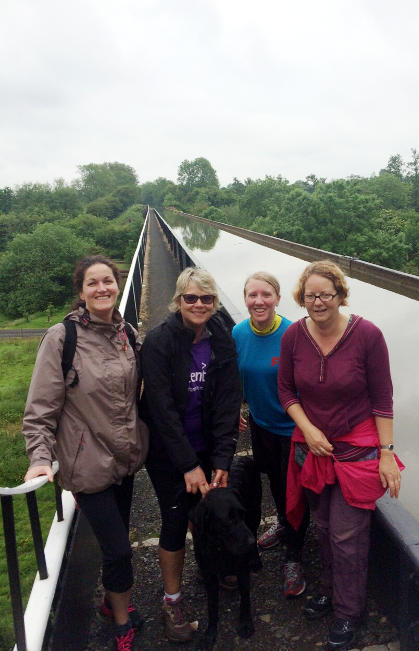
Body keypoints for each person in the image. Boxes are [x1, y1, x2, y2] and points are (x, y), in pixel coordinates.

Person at [23, 254, 148, 651]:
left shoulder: (126, 331)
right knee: (117, 549)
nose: (102, 289)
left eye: (108, 281)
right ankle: (121, 623)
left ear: (117, 285)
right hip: (86, 465)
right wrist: (40, 457)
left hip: (125, 459)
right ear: (81, 292)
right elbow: (40, 407)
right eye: (93, 283)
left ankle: (111, 606)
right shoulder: (62, 338)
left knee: (118, 547)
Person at [278, 260, 403, 650]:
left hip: (356, 449)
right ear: (302, 297)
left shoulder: (367, 335)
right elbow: (286, 391)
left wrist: (386, 453)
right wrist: (309, 429)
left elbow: (383, 400)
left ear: (339, 295)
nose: (318, 302)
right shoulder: (294, 336)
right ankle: (331, 594)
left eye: (326, 294)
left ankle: (349, 612)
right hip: (314, 448)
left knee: (348, 533)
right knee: (324, 526)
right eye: (311, 295)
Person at [140, 267, 241, 643]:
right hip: (169, 452)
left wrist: (221, 461)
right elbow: (161, 409)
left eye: (207, 299)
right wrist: (188, 465)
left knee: (208, 511)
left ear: (215, 304)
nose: (199, 305)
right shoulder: (160, 341)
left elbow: (230, 399)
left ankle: (209, 566)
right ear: (178, 300)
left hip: (206, 443)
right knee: (174, 518)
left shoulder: (222, 338)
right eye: (191, 298)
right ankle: (172, 599)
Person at [232, 271, 309, 598]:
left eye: (266, 295)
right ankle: (282, 524)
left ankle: (294, 555)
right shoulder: (238, 332)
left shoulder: (293, 333)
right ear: (245, 298)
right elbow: (234, 374)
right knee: (274, 482)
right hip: (261, 425)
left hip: (292, 430)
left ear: (278, 298)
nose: (259, 301)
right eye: (252, 295)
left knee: (294, 491)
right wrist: (236, 406)